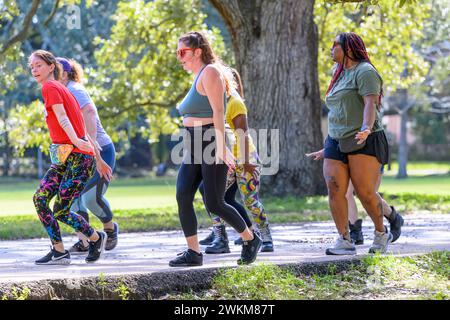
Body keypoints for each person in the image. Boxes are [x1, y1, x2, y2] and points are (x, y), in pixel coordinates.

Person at [306, 32, 403, 255]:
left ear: (348, 48)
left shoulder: (365, 72)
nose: (331, 49)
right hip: (336, 139)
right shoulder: (337, 73)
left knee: (365, 193)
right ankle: (345, 239)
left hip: (364, 138)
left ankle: (381, 233)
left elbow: (370, 104)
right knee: (334, 187)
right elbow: (339, 109)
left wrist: (366, 128)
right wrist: (327, 147)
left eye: (335, 45)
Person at [170, 31, 262, 267]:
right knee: (183, 194)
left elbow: (219, 112)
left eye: (183, 52)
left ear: (197, 51)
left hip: (211, 140)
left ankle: (250, 239)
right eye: (178, 52)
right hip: (194, 141)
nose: (179, 57)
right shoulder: (199, 74)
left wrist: (221, 147)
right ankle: (193, 253)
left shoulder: (210, 72)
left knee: (215, 202)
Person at [29, 50, 107, 265]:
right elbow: (69, 120)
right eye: (32, 67)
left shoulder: (50, 87)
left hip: (78, 157)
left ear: (51, 67)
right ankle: (59, 251)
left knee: (61, 210)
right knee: (40, 199)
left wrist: (76, 141)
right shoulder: (60, 89)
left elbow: (64, 119)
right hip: (63, 155)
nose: (34, 70)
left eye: (39, 65)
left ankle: (95, 237)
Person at [199, 68, 274, 254]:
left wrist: (248, 162)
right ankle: (220, 235)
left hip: (244, 159)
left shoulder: (235, 103)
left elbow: (243, 134)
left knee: (251, 201)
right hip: (227, 160)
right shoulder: (216, 103)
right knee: (212, 196)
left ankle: (265, 238)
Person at [55, 57, 119, 254]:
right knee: (72, 197)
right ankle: (84, 242)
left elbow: (89, 112)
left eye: (54, 70)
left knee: (90, 198)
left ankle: (110, 229)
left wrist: (93, 148)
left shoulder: (75, 90)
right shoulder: (58, 91)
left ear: (64, 73)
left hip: (99, 150)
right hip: (74, 153)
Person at [347, 165, 403, 244]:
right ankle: (355, 232)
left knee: (368, 196)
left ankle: (394, 217)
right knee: (346, 192)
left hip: (372, 156)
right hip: (347, 155)